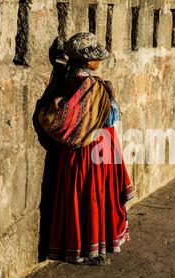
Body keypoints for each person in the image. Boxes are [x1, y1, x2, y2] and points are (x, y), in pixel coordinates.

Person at [37, 32, 135, 266]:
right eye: (95, 57)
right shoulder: (93, 86)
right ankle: (93, 249)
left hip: (71, 153)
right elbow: (111, 118)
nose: (99, 61)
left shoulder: (66, 79)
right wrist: (111, 97)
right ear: (86, 60)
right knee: (95, 199)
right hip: (95, 150)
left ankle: (76, 247)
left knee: (76, 198)